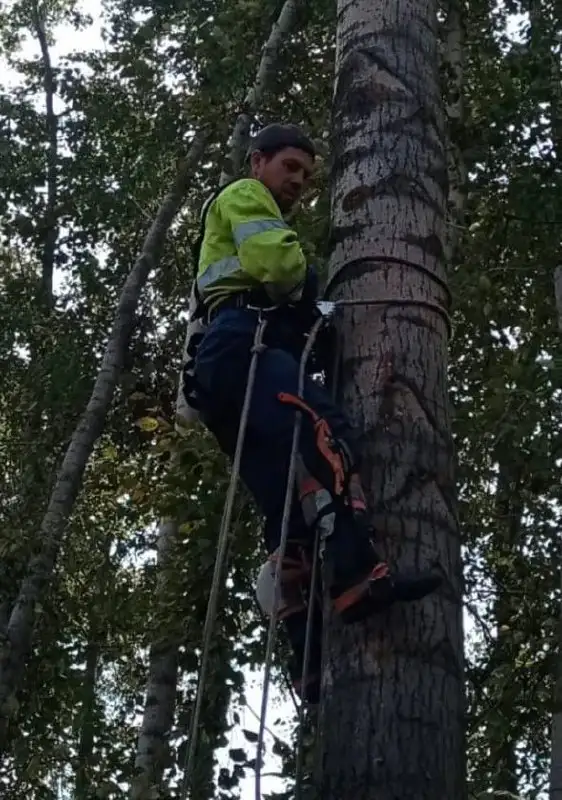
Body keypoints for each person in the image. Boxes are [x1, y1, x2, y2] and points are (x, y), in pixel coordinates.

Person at [189, 123, 442, 704]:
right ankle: (358, 575)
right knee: (327, 429)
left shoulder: (244, 218)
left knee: (288, 511)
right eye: (289, 168)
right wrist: (315, 286)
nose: (298, 182)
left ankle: (306, 660)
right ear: (259, 162)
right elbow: (278, 270)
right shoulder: (243, 197)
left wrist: (316, 324)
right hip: (243, 341)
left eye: (306, 174)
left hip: (229, 365)